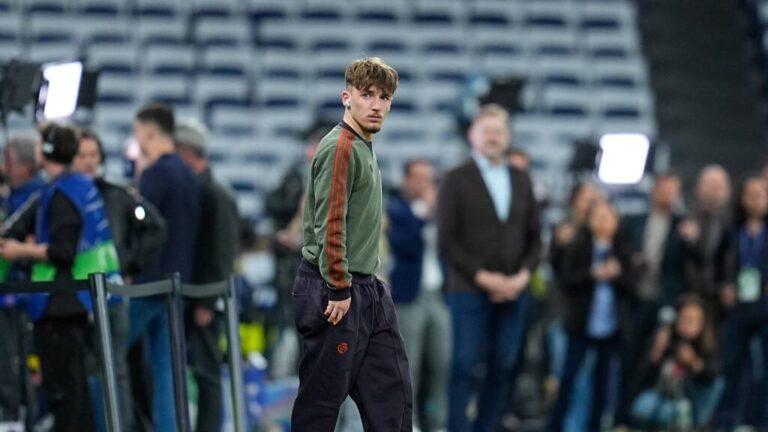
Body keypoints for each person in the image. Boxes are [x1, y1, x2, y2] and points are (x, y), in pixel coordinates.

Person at [291, 57, 412, 431]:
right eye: (367, 94)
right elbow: (331, 223)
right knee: (320, 407)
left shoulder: (361, 144)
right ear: (347, 97)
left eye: (384, 97)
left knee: (392, 399)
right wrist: (340, 287)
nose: (376, 104)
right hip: (336, 291)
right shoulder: (340, 146)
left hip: (366, 289)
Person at [0, 123, 122, 432]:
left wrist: (20, 251)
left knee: (65, 392)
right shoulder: (80, 186)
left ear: (48, 151)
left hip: (62, 302)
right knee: (75, 388)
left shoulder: (62, 193)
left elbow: (63, 251)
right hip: (79, 300)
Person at [437, 104, 542, 432]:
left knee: (504, 365)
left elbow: (536, 238)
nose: (493, 137)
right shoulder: (455, 179)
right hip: (468, 290)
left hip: (515, 290)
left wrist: (523, 276)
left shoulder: (522, 179)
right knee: (464, 365)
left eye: (499, 131)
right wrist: (484, 277)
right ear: (473, 135)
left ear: (507, 136)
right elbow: (447, 240)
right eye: (487, 131)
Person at [71, 129, 167, 431]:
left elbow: (155, 227)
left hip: (111, 294)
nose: (88, 162)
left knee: (113, 367)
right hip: (72, 294)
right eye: (81, 155)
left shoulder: (117, 194)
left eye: (93, 155)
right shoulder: (64, 194)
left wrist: (130, 265)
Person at [131, 103, 201, 432]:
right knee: (167, 372)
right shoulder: (189, 174)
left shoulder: (156, 173)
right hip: (177, 285)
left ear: (149, 132)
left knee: (101, 355)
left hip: (148, 286)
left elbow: (141, 231)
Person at [547, 200, 634, 432]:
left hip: (610, 328)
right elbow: (565, 280)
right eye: (598, 216)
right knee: (568, 379)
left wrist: (618, 275)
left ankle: (595, 427)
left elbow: (633, 288)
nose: (603, 221)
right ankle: (555, 426)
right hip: (580, 326)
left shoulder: (623, 250)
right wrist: (592, 274)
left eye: (608, 216)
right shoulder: (579, 247)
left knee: (602, 384)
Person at [175, 120, 239, 432]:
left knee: (207, 371)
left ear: (186, 152)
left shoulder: (215, 193)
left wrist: (206, 300)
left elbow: (222, 253)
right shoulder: (200, 189)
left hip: (204, 298)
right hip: (194, 294)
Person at [387, 159, 450, 431]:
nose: (425, 183)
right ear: (406, 180)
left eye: (429, 177)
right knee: (409, 364)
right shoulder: (398, 210)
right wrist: (423, 213)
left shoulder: (442, 212)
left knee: (442, 363)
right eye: (419, 177)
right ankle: (407, 422)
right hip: (410, 296)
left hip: (439, 295)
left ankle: (436, 422)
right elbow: (404, 247)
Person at [714, 175, 768, 428]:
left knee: (763, 370)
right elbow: (717, 262)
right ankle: (726, 421)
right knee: (733, 365)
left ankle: (760, 422)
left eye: (762, 194)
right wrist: (724, 285)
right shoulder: (733, 230)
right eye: (751, 194)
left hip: (765, 307)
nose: (756, 200)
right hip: (739, 307)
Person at [630, 294, 722, 428]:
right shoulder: (666, 339)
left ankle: (697, 426)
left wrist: (693, 362)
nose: (687, 325)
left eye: (693, 320)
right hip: (665, 401)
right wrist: (657, 352)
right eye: (684, 319)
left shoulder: (708, 345)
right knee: (645, 405)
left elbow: (715, 375)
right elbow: (640, 381)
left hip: (692, 405)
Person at [679, 165, 732, 322]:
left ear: (728, 189)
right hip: (692, 294)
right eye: (710, 184)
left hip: (725, 295)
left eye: (719, 184)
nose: (715, 189)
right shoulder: (687, 219)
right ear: (699, 188)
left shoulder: (735, 221)